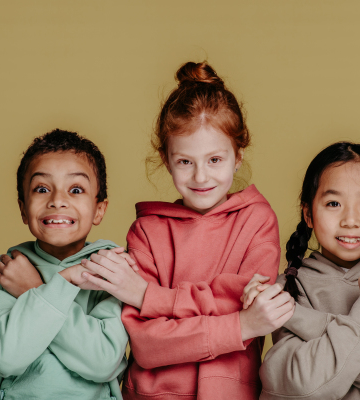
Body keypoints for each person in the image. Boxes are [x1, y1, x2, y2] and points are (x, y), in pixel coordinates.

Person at [79, 62, 295, 400]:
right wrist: (239, 324)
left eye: (214, 160)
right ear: (166, 160)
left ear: (237, 157)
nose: (200, 177)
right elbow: (148, 345)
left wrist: (147, 296)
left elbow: (256, 315)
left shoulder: (258, 220)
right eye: (185, 162)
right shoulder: (147, 231)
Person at [242, 142, 360, 400]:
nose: (350, 220)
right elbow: (301, 383)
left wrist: (295, 315)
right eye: (333, 203)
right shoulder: (288, 286)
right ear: (308, 213)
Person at [0, 129, 130, 400]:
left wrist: (32, 290)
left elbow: (102, 361)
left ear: (99, 209)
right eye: (42, 189)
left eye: (75, 189)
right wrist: (65, 283)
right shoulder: (6, 269)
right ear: (23, 208)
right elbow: (5, 358)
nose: (57, 200)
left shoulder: (110, 269)